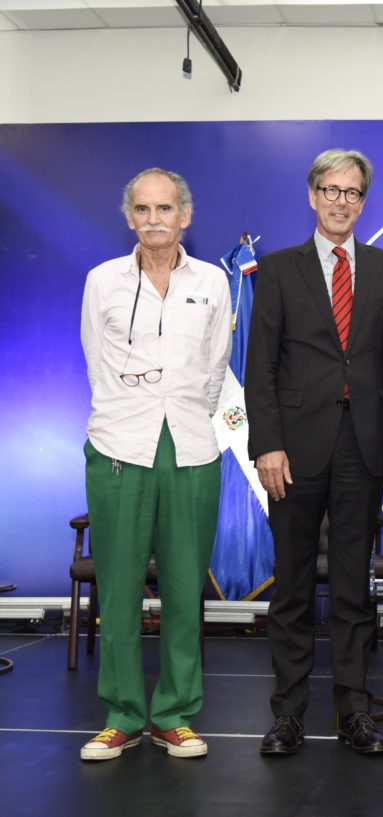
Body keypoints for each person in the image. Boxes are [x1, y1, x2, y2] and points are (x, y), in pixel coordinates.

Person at [245, 149, 383, 756]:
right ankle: (288, 715)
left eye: (353, 192)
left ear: (363, 201)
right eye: (332, 190)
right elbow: (260, 367)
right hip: (292, 451)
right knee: (291, 587)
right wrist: (267, 444)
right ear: (312, 196)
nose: (342, 201)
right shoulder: (276, 269)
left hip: (363, 448)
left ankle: (354, 712)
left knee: (352, 589)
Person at [79, 168, 231, 761]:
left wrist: (185, 413)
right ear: (129, 217)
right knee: (117, 589)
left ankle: (174, 715)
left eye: (164, 208)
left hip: (191, 447)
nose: (153, 219)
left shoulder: (213, 281)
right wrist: (128, 413)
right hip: (119, 447)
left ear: (184, 216)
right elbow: (96, 361)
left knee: (185, 589)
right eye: (142, 209)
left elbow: (216, 368)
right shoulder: (102, 281)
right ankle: (120, 715)